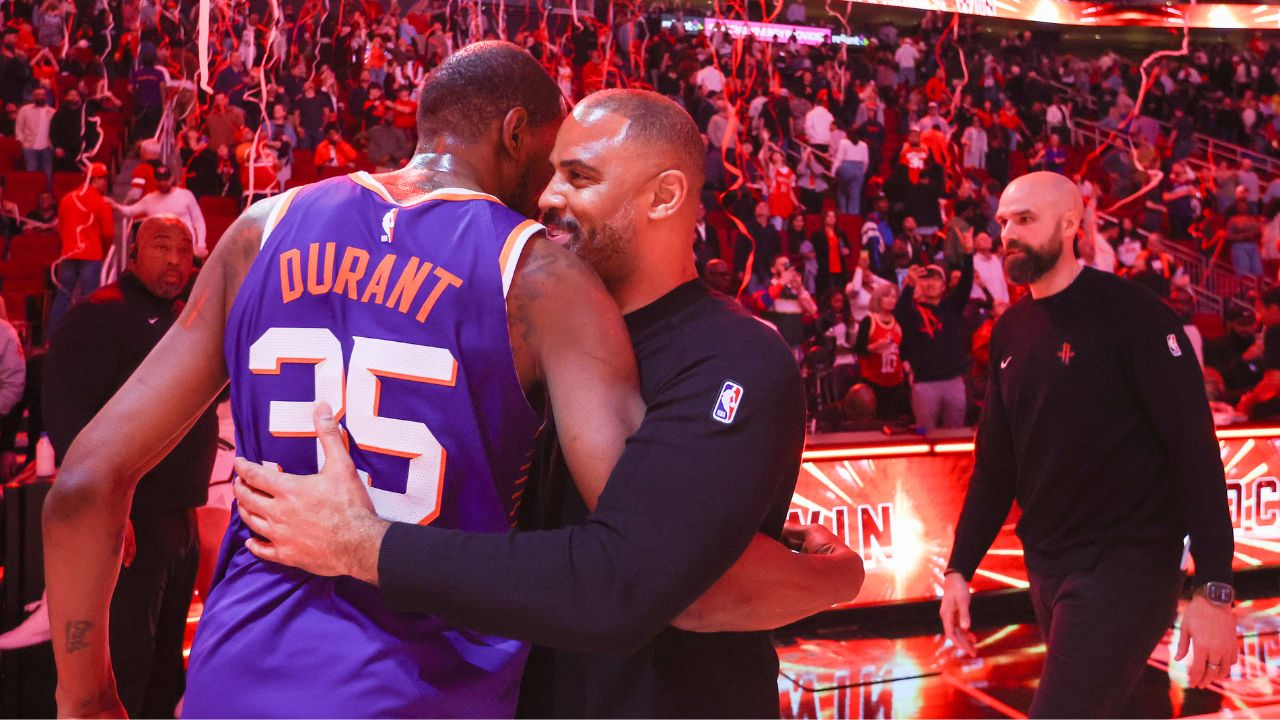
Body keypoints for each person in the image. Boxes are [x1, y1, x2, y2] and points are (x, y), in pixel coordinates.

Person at [44, 48, 857, 719]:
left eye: (575, 175)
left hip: (236, 675)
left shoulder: (263, 228)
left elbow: (81, 485)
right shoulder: (539, 279)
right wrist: (835, 577)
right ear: (515, 133)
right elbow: (646, 570)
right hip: (424, 689)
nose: (547, 196)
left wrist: (86, 698)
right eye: (551, 165)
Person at [940, 172, 1237, 718]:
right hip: (1046, 563)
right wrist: (959, 568)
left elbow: (1194, 450)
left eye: (1025, 219)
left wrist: (1215, 586)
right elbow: (995, 467)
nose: (1008, 233)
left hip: (1127, 562)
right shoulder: (1010, 330)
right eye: (1003, 221)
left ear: (1069, 224)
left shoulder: (1134, 315)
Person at [43, 215, 212, 718]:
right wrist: (106, 511)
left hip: (180, 516)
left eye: (185, 249)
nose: (176, 260)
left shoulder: (188, 317)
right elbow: (67, 414)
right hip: (130, 520)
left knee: (166, 667)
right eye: (162, 247)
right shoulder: (99, 315)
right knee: (127, 665)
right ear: (132, 253)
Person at [895, 258, 974, 432]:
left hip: (953, 381)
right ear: (919, 284)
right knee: (924, 435)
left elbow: (966, 283)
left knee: (955, 435)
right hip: (925, 383)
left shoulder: (952, 306)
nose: (930, 283)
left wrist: (968, 254)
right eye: (926, 279)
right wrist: (909, 285)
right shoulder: (912, 311)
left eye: (936, 279)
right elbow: (899, 313)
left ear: (943, 286)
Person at [49, 162, 114, 330]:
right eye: (104, 178)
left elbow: (60, 228)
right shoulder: (101, 203)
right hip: (91, 256)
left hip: (69, 254)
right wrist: (103, 252)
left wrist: (67, 247)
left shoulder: (67, 199)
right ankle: (87, 335)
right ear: (94, 179)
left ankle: (52, 336)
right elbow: (108, 233)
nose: (106, 182)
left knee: (62, 297)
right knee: (90, 300)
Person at [112, 165, 209, 258]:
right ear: (155, 180)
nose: (162, 183)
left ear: (171, 179)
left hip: (184, 246)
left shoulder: (186, 195)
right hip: (161, 250)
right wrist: (115, 206)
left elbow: (198, 221)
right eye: (159, 180)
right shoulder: (149, 199)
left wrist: (201, 244)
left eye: (165, 179)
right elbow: (129, 211)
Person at [854, 282, 908, 421]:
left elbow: (903, 350)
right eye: (887, 296)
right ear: (879, 299)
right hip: (873, 382)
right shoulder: (869, 320)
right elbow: (858, 349)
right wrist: (875, 346)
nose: (891, 300)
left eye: (894, 297)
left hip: (895, 382)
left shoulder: (898, 322)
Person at [16, 85, 54, 181]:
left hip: (47, 148)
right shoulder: (24, 110)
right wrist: (22, 142)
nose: (40, 97)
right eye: (37, 95)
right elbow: (19, 128)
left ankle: (46, 191)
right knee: (31, 173)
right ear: (33, 96)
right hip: (29, 147)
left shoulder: (52, 112)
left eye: (42, 95)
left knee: (47, 174)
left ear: (45, 96)